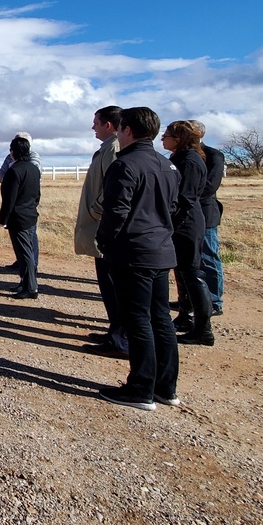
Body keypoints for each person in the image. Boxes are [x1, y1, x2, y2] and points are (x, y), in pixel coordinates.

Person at [96, 107, 180, 411]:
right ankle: (165, 387)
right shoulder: (167, 165)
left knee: (138, 319)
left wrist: (105, 240)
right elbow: (174, 207)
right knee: (160, 319)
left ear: (127, 131)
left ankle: (141, 387)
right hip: (161, 249)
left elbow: (116, 210)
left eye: (121, 129)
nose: (119, 134)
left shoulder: (125, 165)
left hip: (134, 252)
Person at [75, 106, 128, 359]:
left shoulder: (114, 148)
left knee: (113, 283)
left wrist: (97, 211)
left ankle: (120, 338)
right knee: (107, 284)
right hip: (101, 224)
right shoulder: (108, 147)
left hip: (105, 226)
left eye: (95, 122)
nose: (92, 127)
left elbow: (114, 187)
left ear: (108, 124)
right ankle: (114, 332)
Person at [162, 121, 215, 346]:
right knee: (182, 272)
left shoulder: (190, 161)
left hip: (187, 223)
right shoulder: (179, 158)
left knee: (193, 274)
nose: (162, 138)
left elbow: (185, 197)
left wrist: (173, 222)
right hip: (180, 222)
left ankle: (203, 329)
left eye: (167, 135)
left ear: (179, 138)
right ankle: (185, 316)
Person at [0, 136, 42, 299]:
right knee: (28, 251)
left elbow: (9, 199)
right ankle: (25, 283)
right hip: (31, 215)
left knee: (24, 254)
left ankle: (31, 287)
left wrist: (3, 219)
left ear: (12, 152)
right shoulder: (34, 169)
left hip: (18, 219)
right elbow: (37, 195)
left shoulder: (14, 171)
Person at [192, 120, 225, 316]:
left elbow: (210, 186)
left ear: (198, 133)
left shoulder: (214, 155)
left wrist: (185, 198)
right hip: (188, 214)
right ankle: (192, 300)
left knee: (209, 256)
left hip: (205, 213)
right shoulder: (180, 156)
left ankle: (214, 300)